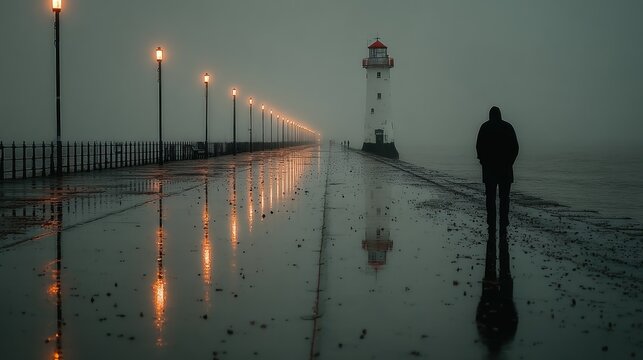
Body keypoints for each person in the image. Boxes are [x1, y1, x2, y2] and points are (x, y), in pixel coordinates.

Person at [476, 106, 519, 239]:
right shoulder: (508, 127)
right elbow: (515, 147)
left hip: (489, 170)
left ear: (490, 115)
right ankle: (504, 221)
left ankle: (491, 221)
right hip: (505, 169)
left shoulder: (485, 127)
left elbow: (479, 147)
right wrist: (510, 162)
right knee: (504, 197)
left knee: (490, 197)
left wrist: (483, 161)